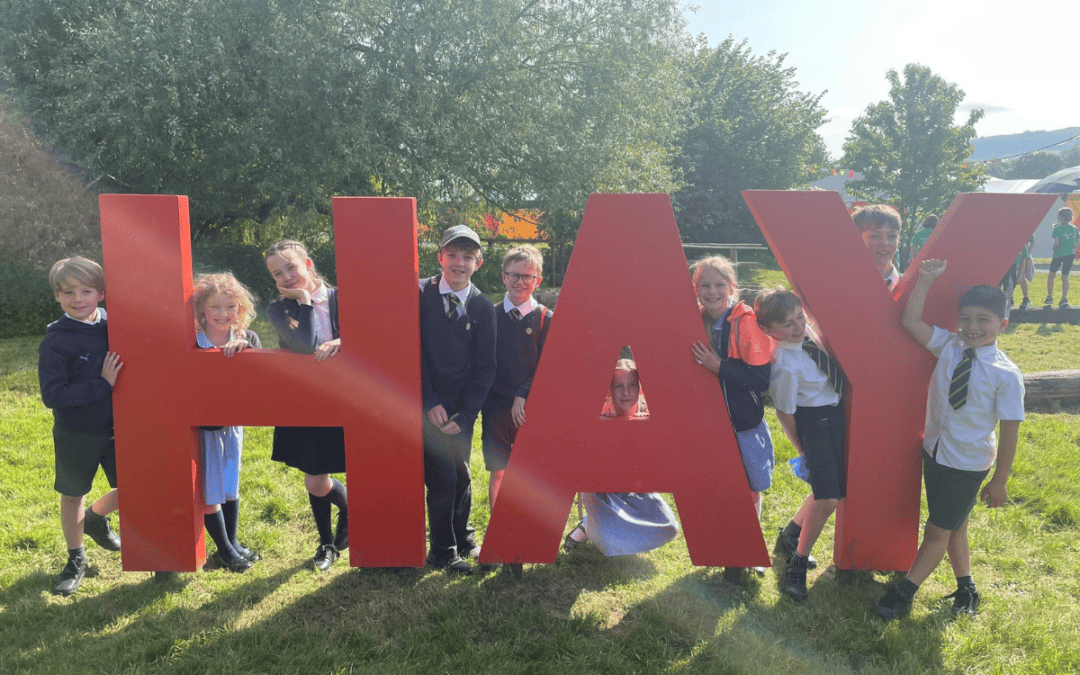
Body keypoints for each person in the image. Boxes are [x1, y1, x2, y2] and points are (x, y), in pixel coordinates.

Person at [873, 261, 1024, 620]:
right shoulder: (950, 346)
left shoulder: (1006, 374)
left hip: (968, 463)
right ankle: (967, 588)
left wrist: (1000, 479)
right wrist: (924, 281)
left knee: (937, 528)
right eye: (966, 318)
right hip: (935, 452)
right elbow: (910, 322)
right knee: (955, 523)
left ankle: (903, 593)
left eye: (983, 319)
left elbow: (1010, 429)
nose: (972, 327)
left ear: (1002, 324)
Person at [38, 256, 124, 596]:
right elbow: (52, 395)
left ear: (101, 294)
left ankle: (96, 517)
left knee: (133, 487)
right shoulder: (56, 341)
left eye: (86, 291)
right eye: (68, 292)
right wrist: (103, 384)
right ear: (58, 297)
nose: (78, 299)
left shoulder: (117, 326)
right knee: (72, 495)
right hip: (77, 431)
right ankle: (76, 559)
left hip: (121, 428)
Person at [756, 288, 846, 602]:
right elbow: (785, 412)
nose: (798, 326)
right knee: (829, 498)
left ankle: (790, 534)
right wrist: (802, 450)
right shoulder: (784, 364)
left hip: (836, 419)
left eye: (799, 317)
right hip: (813, 425)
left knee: (831, 486)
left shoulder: (807, 335)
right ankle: (796, 564)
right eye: (788, 324)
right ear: (768, 330)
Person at [264, 240, 349, 571]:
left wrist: (344, 340)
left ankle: (352, 530)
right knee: (316, 479)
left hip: (349, 397)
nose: (286, 276)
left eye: (291, 267)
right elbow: (304, 348)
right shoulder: (278, 310)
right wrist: (304, 302)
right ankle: (328, 540)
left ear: (309, 263)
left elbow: (370, 336)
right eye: (277, 273)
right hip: (307, 400)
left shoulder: (344, 297)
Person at [689, 256, 774, 580]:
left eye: (719, 285)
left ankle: (747, 548)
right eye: (704, 285)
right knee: (718, 487)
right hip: (706, 424)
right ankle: (725, 547)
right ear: (695, 289)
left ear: (732, 287)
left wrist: (719, 366)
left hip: (742, 421)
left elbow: (761, 379)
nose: (712, 291)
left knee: (750, 487)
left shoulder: (744, 321)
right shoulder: (691, 320)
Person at [420, 225, 497, 574]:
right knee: (442, 477)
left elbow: (485, 367)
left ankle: (462, 535)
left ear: (478, 263)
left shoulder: (482, 306)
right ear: (440, 257)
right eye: (452, 255)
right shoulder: (419, 294)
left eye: (467, 257)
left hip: (461, 409)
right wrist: (428, 400)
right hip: (426, 403)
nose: (459, 263)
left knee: (462, 474)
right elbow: (413, 352)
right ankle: (442, 551)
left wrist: (466, 415)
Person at [563, 359, 680, 556]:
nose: (626, 392)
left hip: (636, 490)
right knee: (611, 543)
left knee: (669, 527)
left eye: (631, 386)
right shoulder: (600, 413)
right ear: (610, 389)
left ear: (640, 389)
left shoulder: (648, 414)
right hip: (605, 494)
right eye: (619, 386)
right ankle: (588, 525)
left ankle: (595, 525)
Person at [191, 273, 262, 572]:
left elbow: (260, 378)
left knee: (230, 480)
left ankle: (231, 542)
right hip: (203, 425)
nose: (223, 314)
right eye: (215, 307)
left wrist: (245, 353)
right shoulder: (191, 338)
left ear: (240, 308)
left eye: (230, 307)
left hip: (233, 422)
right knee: (211, 485)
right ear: (202, 310)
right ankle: (225, 550)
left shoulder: (247, 337)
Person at [481, 245, 552, 510]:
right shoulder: (489, 315)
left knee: (531, 472)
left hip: (530, 407)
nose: (520, 282)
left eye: (528, 277)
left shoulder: (545, 319)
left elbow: (548, 366)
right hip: (496, 408)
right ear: (503, 277)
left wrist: (525, 392)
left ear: (538, 281)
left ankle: (527, 527)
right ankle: (497, 530)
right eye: (514, 275)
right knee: (499, 471)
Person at [854, 204, 903, 288]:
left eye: (891, 236)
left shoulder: (911, 285)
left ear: (898, 240)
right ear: (858, 239)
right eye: (875, 236)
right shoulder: (848, 283)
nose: (884, 243)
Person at [1045, 207, 1079, 308]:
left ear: (1061, 217)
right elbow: (1077, 241)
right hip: (1070, 254)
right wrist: (1071, 247)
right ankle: (1064, 298)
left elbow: (1056, 243)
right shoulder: (1074, 228)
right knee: (1065, 276)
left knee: (1051, 275)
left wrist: (1053, 248)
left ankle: (1050, 297)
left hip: (1058, 254)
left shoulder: (1057, 228)